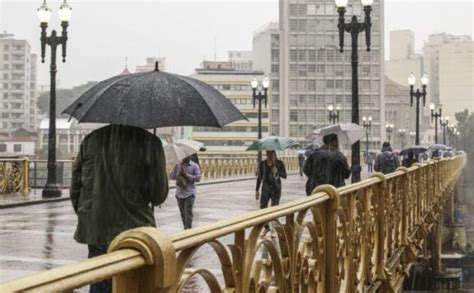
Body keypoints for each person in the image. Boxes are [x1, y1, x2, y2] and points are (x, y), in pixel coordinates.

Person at [70, 124, 168, 293]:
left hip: (97, 229)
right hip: (136, 232)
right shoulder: (150, 142)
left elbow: (75, 188)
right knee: (134, 283)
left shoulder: (92, 139)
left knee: (100, 281)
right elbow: (158, 195)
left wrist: (90, 214)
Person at [256, 150, 287, 238]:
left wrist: (277, 172)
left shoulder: (279, 163)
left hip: (276, 189)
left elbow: (285, 175)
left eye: (270, 153)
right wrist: (257, 190)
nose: (268, 155)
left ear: (274, 154)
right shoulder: (263, 164)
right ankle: (266, 228)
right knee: (263, 208)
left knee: (274, 209)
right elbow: (259, 177)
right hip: (265, 188)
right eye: (267, 153)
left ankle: (273, 229)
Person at [170, 155, 201, 230]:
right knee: (183, 214)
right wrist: (176, 172)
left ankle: (188, 230)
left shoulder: (194, 165)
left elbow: (198, 178)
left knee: (188, 214)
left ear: (190, 156)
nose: (185, 157)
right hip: (179, 193)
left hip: (189, 194)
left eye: (187, 156)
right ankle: (185, 230)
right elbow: (172, 176)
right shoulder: (178, 165)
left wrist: (186, 175)